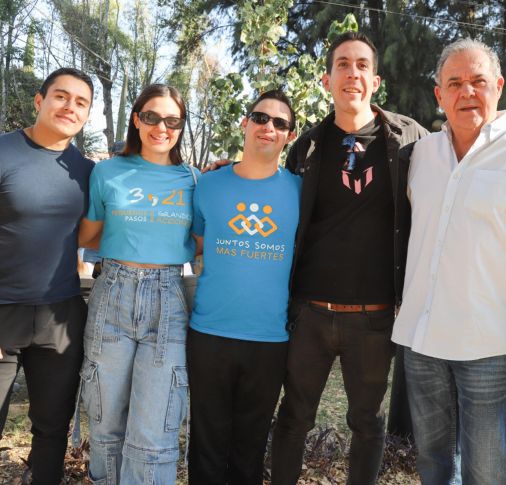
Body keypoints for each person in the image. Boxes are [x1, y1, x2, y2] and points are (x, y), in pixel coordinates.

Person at [391, 38, 506, 484]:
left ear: (498, 86)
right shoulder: (421, 155)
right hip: (422, 341)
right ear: (439, 94)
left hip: (490, 345)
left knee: (488, 472)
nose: (466, 92)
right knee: (434, 465)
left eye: (478, 81)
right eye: (454, 83)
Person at [269, 31, 428, 485]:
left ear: (375, 80)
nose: (352, 73)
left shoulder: (410, 139)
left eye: (361, 65)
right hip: (311, 313)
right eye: (343, 64)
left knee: (368, 423)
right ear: (327, 79)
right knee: (293, 418)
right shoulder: (310, 145)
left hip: (375, 318)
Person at [0, 67, 95, 484]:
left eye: (81, 102)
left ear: (87, 115)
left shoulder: (84, 170)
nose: (70, 107)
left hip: (60, 317)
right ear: (39, 100)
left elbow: (85, 236)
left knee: (51, 432)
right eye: (61, 96)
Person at [77, 83, 198, 485]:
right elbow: (88, 236)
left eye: (172, 120)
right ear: (136, 118)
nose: (161, 127)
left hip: (168, 298)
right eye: (151, 117)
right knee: (106, 419)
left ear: (181, 126)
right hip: (112, 292)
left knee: (154, 429)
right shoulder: (107, 172)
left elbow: (201, 244)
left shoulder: (193, 180)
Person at [187, 90, 301, 484]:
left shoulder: (301, 192)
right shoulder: (208, 184)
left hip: (269, 340)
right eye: (260, 118)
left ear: (289, 135)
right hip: (209, 335)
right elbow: (196, 245)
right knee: (206, 445)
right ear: (245, 123)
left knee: (249, 450)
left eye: (280, 123)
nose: (268, 127)